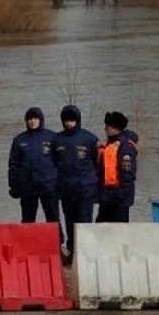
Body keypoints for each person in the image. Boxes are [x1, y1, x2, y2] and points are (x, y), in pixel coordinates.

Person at [53, 105, 100, 262]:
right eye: (66, 121)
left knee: (85, 222)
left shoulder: (90, 139)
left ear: (78, 120)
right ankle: (72, 252)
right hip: (66, 190)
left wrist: (96, 189)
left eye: (72, 120)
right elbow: (53, 163)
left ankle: (86, 255)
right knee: (70, 221)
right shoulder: (57, 139)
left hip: (85, 190)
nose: (69, 124)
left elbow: (97, 164)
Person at [7, 107, 60, 226]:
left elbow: (60, 162)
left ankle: (57, 241)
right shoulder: (19, 140)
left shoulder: (52, 137)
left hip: (48, 185)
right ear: (26, 121)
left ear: (41, 120)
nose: (32, 121)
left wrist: (59, 183)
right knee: (27, 219)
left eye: (35, 118)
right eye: (29, 119)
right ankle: (26, 243)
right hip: (27, 187)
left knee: (53, 217)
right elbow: (13, 164)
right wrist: (13, 185)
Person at [96, 111, 138, 223]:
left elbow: (127, 173)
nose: (105, 129)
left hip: (119, 197)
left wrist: (122, 195)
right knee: (101, 228)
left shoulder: (125, 147)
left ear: (115, 128)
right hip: (107, 196)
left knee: (119, 231)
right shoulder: (107, 145)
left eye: (107, 126)